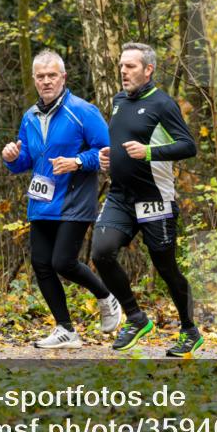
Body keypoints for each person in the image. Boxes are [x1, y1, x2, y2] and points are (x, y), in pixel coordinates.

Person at [2, 50, 120, 348]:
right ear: (34, 80)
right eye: (40, 76)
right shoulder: (30, 116)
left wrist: (77, 162)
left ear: (63, 77)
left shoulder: (83, 111)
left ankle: (107, 296)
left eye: (52, 75)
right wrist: (11, 157)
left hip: (74, 200)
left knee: (63, 262)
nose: (46, 81)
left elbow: (108, 153)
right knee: (41, 264)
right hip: (41, 201)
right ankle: (65, 330)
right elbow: (26, 160)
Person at [91, 42, 202, 357]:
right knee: (101, 252)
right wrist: (109, 157)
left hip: (155, 198)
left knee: (166, 269)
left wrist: (149, 152)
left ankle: (190, 330)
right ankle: (136, 318)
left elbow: (188, 146)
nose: (123, 71)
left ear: (148, 70)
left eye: (130, 66)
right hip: (120, 197)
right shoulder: (118, 101)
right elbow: (123, 142)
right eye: (121, 66)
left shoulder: (163, 104)